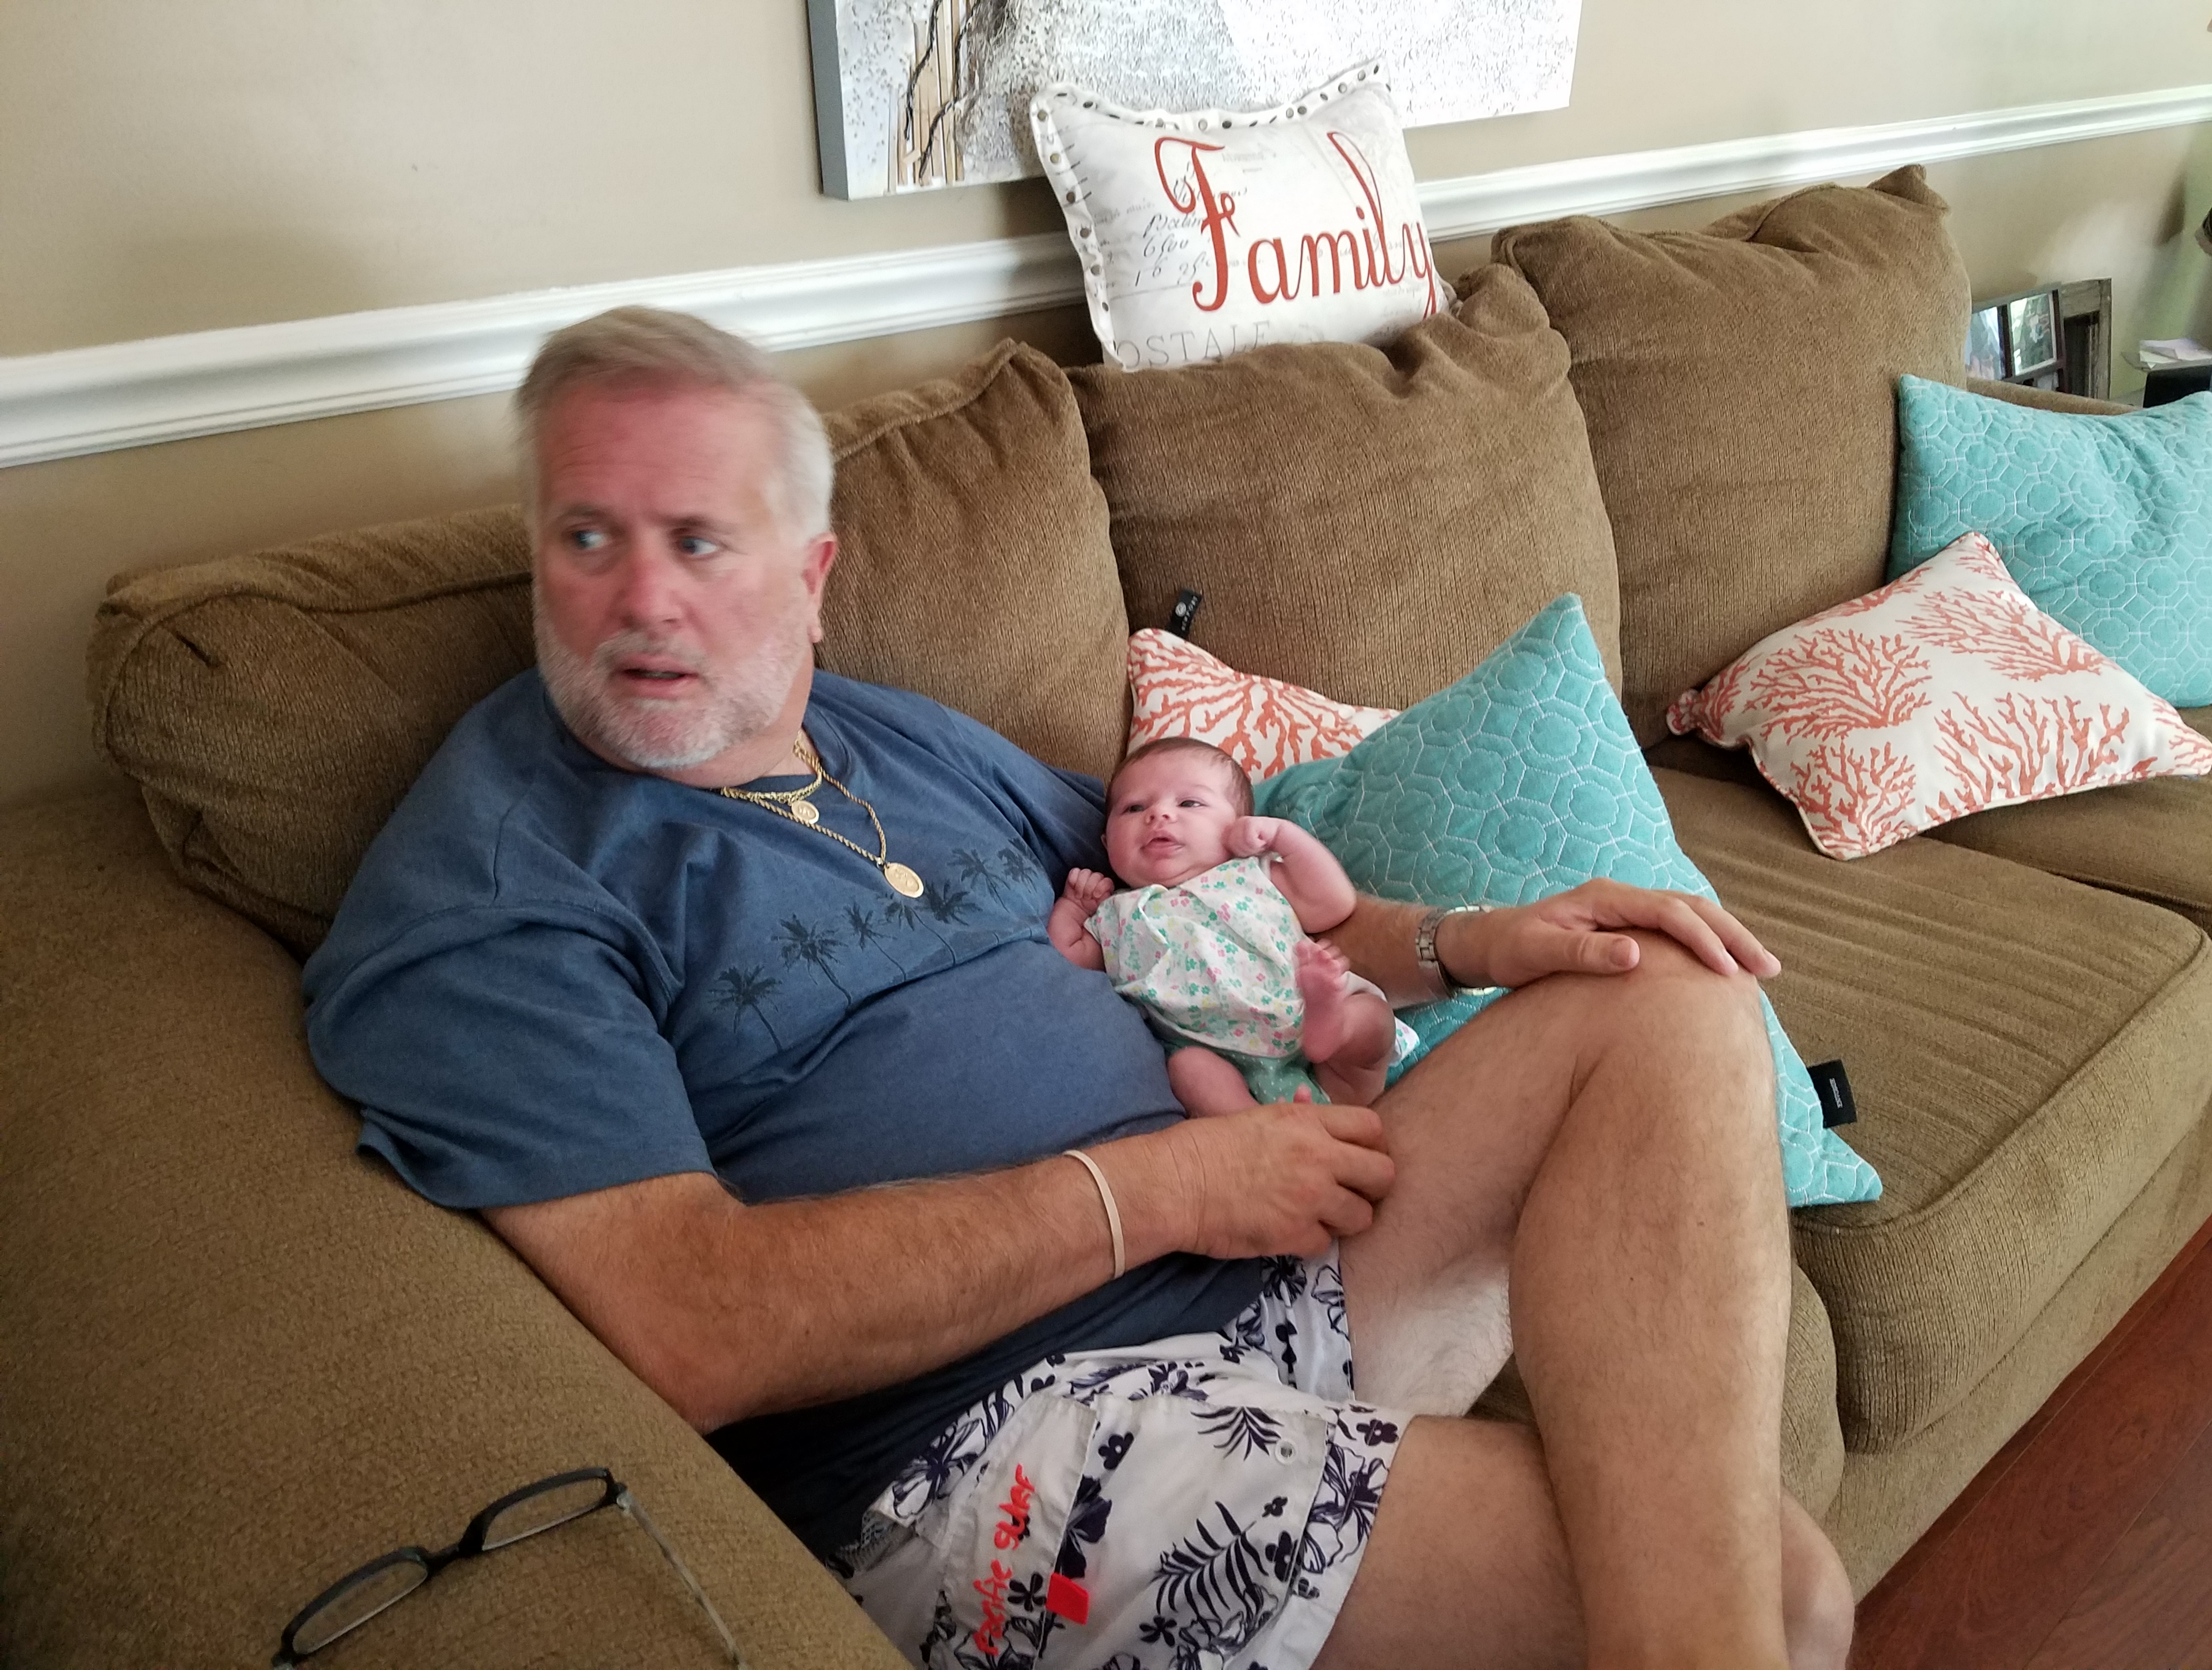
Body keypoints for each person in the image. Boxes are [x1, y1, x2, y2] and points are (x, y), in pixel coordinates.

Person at [303, 304, 1854, 1670]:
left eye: (699, 541)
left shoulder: (898, 738)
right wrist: (1164, 1191)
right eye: (589, 538)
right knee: (1776, 1602)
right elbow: (692, 1326)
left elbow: (1219, 901)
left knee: (1665, 991)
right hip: (985, 1450)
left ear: (813, 575)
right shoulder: (495, 883)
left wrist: (1473, 942)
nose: (644, 597)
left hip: (1258, 1253)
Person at [1048, 736, 1412, 1113]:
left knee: (1373, 1018)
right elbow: (1069, 958)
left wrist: (1281, 835)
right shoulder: (1117, 914)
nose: (1158, 814)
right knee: (1188, 1069)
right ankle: (1254, 1125)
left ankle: (1334, 1025)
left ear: (1239, 825)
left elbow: (1334, 903)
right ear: (1107, 842)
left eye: (1189, 803)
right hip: (1225, 1059)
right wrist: (1073, 908)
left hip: (1318, 1039)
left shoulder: (1253, 873)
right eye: (1134, 808)